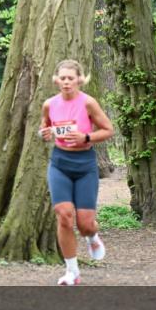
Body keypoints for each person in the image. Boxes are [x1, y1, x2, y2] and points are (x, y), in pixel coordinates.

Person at [39, 60, 114, 285]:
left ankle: (92, 236)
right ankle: (72, 271)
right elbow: (44, 127)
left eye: (71, 78)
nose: (66, 82)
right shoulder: (49, 104)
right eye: (62, 78)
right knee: (63, 215)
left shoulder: (88, 103)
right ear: (56, 80)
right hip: (60, 162)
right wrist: (43, 133)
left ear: (79, 80)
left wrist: (86, 137)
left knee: (85, 223)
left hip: (84, 164)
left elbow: (108, 129)